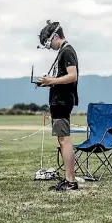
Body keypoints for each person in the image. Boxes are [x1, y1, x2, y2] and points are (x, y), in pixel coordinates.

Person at [37, 20, 79, 191]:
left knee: (64, 140)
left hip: (62, 101)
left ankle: (70, 180)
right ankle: (68, 179)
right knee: (62, 140)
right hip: (58, 100)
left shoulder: (67, 51)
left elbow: (72, 76)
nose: (49, 47)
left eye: (48, 43)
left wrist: (51, 81)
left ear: (55, 36)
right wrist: (49, 83)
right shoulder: (63, 51)